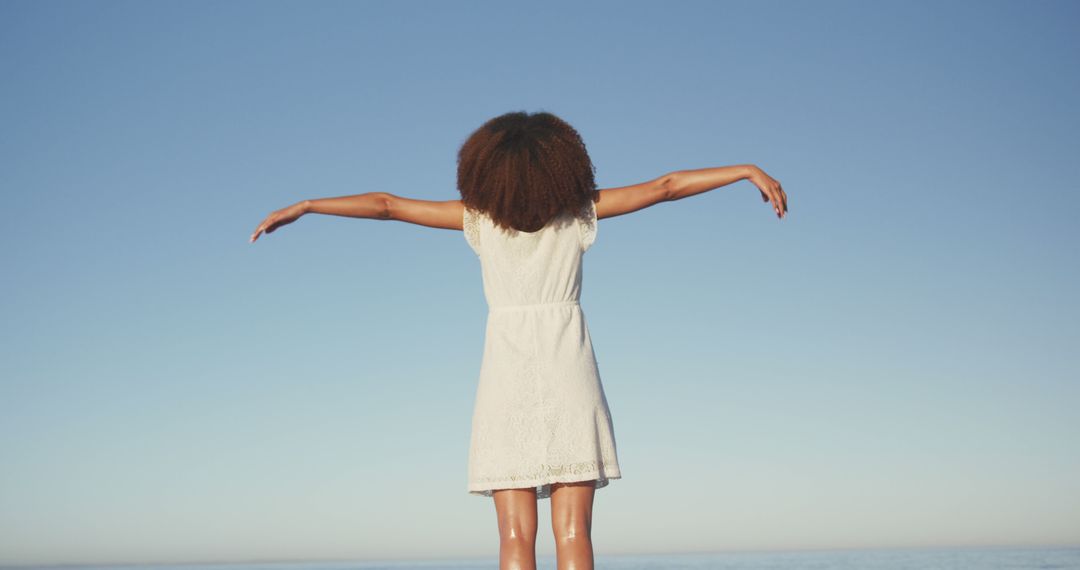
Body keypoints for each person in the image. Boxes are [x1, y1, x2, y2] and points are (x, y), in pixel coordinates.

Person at [249, 110, 787, 570]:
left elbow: (387, 204)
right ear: (562, 164)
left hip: (504, 376)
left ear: (486, 169)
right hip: (568, 366)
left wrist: (307, 205)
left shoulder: (479, 221)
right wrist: (744, 170)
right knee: (575, 535)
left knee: (513, 538)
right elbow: (666, 187)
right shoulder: (578, 214)